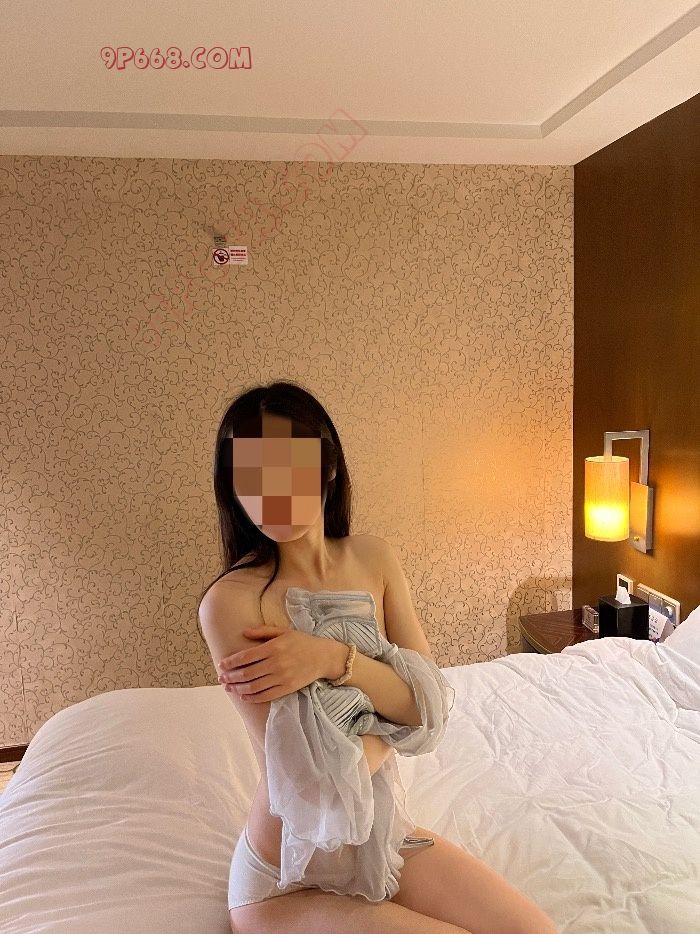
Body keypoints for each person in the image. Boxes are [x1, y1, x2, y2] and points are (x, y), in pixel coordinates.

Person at [198, 381, 557, 934]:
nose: (271, 492)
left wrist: (332, 657)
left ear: (327, 466)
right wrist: (400, 707)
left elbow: (430, 705)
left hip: (381, 844)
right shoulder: (232, 602)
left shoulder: (374, 559)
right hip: (286, 882)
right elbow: (318, 785)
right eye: (251, 476)